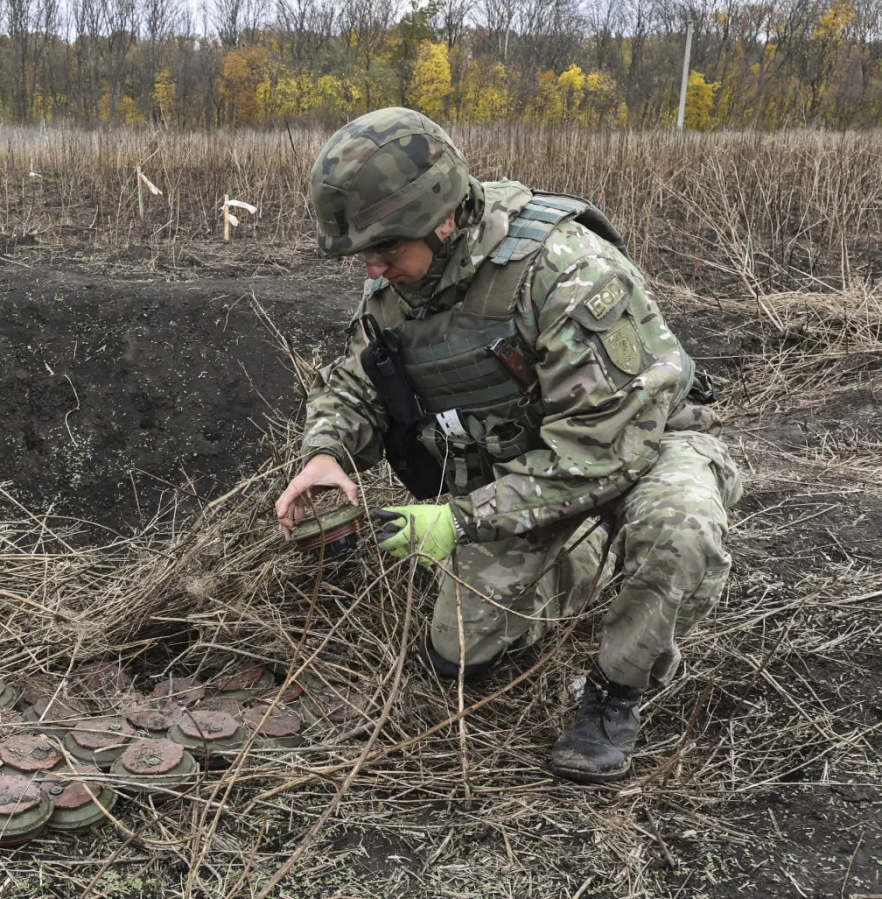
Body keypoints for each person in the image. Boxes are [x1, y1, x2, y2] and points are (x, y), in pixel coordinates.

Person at [275, 107, 741, 783]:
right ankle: (578, 557)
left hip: (639, 454)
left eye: (384, 248)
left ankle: (615, 692)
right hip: (524, 477)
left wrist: (462, 519)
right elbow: (359, 383)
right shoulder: (402, 284)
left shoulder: (563, 270)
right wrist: (327, 451)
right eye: (363, 254)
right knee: (459, 654)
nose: (371, 266)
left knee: (680, 532)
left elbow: (601, 451)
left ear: (441, 218)